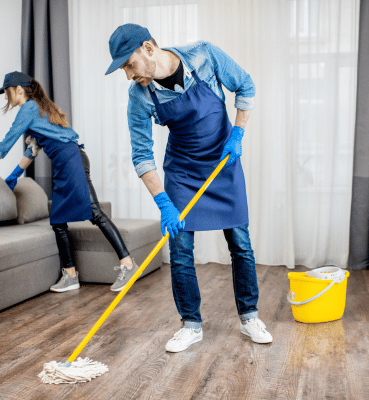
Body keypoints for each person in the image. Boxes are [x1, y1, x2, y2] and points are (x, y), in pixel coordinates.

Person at [106, 24, 273, 352]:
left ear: (148, 48)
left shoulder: (204, 56)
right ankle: (191, 324)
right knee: (180, 248)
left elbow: (246, 85)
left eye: (129, 65)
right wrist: (164, 202)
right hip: (182, 172)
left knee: (240, 242)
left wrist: (237, 133)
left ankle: (249, 316)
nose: (128, 75)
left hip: (223, 163)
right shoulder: (140, 95)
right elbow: (142, 155)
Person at [0, 71, 139, 293]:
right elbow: (32, 149)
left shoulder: (29, 108)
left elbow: (6, 144)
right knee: (58, 221)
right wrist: (15, 174)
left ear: (17, 89)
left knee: (94, 212)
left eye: (6, 93)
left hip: (71, 161)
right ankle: (70, 275)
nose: (5, 98)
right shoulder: (39, 109)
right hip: (67, 162)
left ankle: (128, 264)